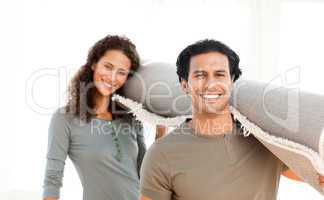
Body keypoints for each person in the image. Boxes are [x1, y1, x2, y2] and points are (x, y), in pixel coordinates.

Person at [139, 39, 324, 200]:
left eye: (219, 74)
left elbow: (309, 174)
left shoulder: (265, 139)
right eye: (200, 75)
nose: (211, 84)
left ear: (232, 81)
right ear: (184, 84)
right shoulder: (162, 154)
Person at [42, 35, 166, 200]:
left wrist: (161, 129)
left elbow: (145, 173)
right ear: (94, 64)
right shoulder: (65, 119)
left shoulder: (131, 118)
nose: (113, 77)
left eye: (121, 72)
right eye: (108, 66)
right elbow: (52, 178)